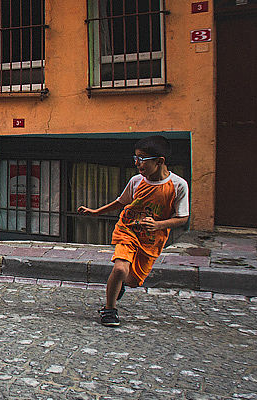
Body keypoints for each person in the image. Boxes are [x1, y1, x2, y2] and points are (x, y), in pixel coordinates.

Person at [77, 136, 189, 326]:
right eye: (136, 158)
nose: (137, 163)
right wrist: (96, 212)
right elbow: (121, 202)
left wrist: (158, 225)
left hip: (151, 239)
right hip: (127, 230)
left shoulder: (178, 185)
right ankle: (109, 310)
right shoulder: (136, 181)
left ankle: (119, 285)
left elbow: (182, 217)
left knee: (132, 280)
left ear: (159, 161)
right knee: (120, 268)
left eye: (142, 159)